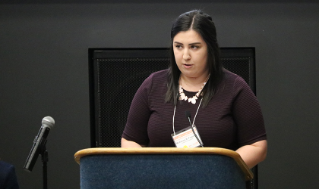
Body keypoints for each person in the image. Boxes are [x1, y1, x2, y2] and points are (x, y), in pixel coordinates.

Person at [121, 9, 267, 169]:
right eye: (178, 46)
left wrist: (219, 172)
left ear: (210, 48)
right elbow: (130, 140)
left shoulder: (235, 87)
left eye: (194, 47)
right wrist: (149, 169)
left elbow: (257, 146)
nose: (185, 56)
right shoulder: (153, 84)